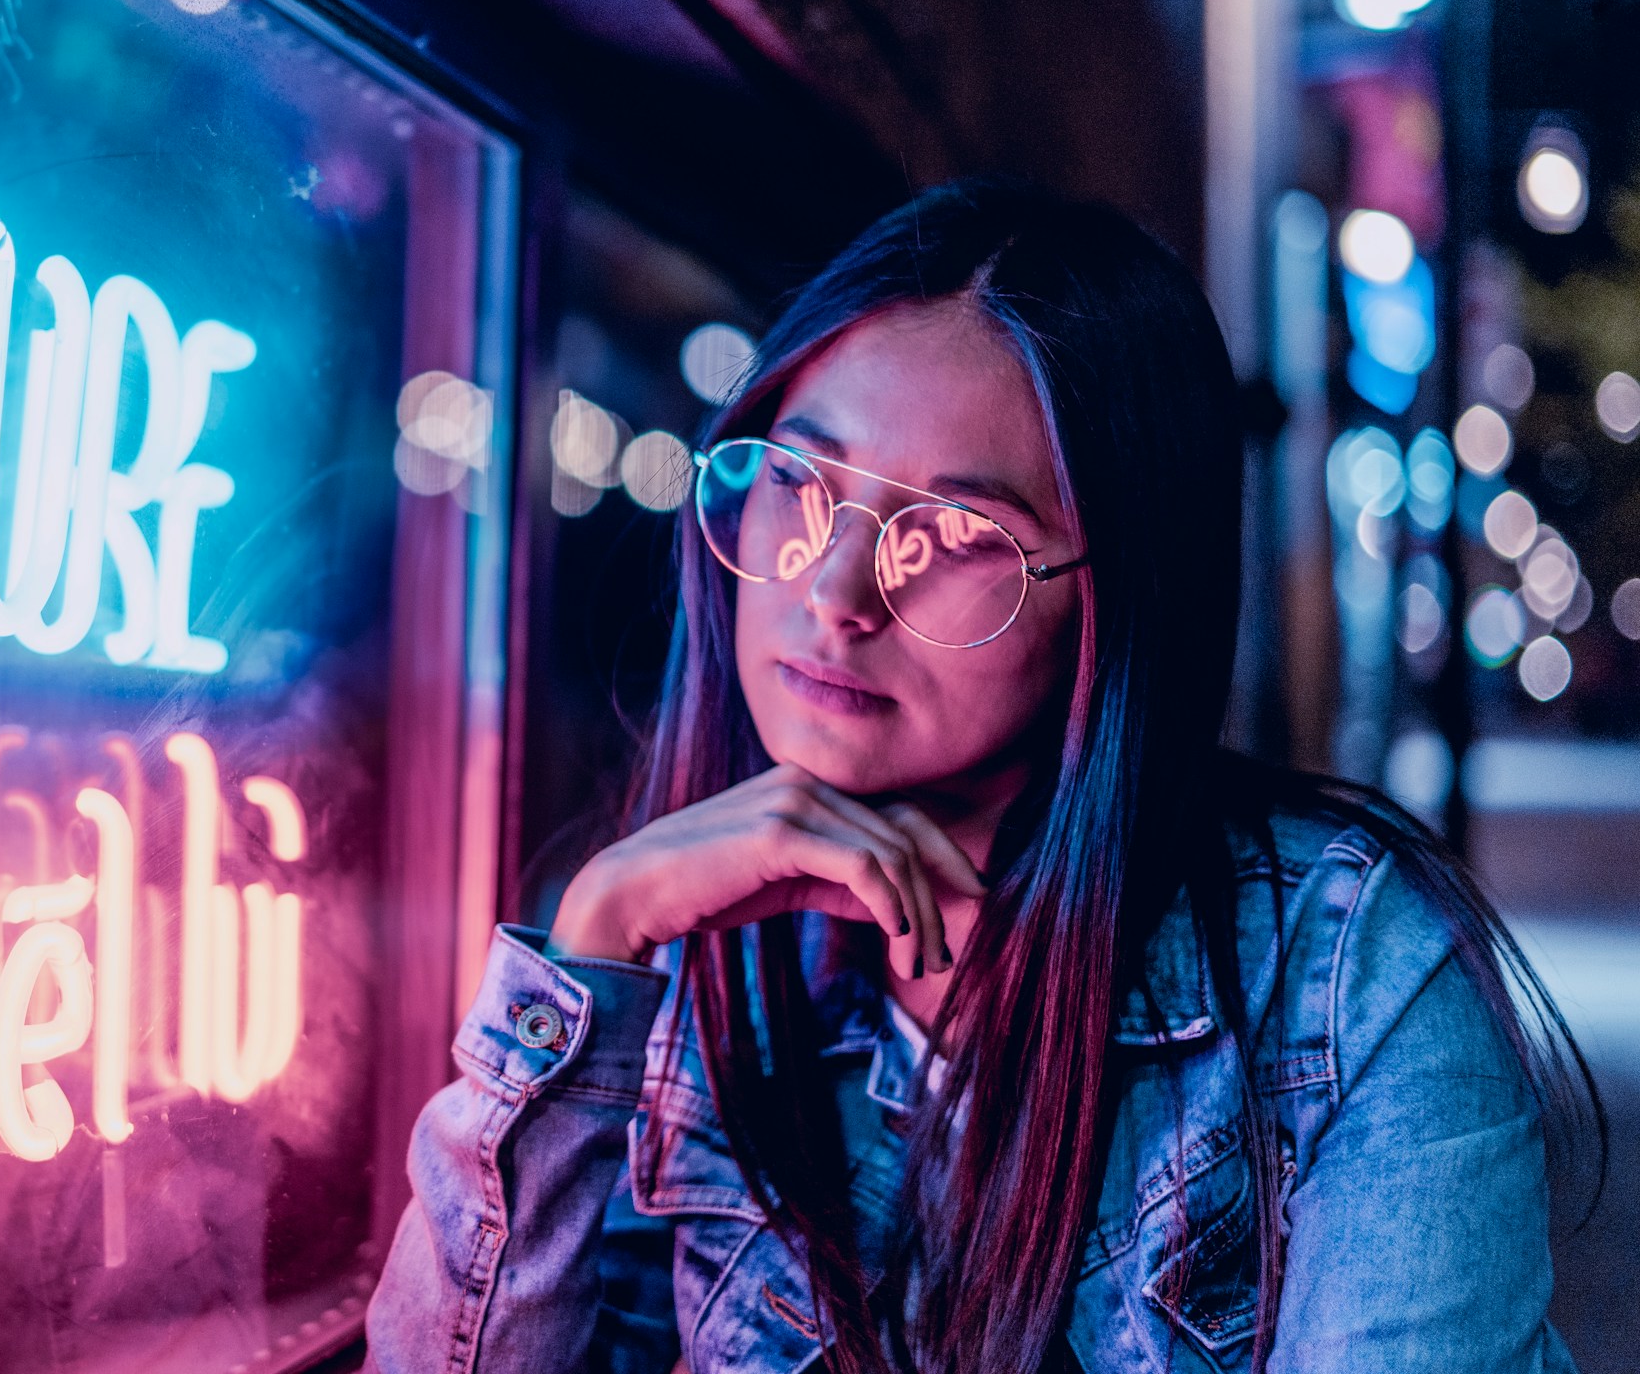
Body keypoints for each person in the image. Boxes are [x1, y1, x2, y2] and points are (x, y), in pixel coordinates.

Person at [366, 181, 1598, 1373]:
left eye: (955, 536)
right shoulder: (695, 946)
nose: (836, 594)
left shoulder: (1344, 976)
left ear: (1115, 603)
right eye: (799, 482)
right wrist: (597, 931)